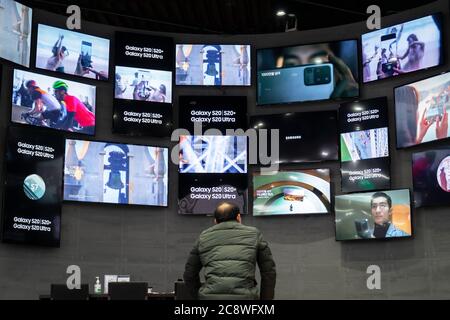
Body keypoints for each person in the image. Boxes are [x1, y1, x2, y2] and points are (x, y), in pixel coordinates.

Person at [183, 202, 276, 300]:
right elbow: (269, 273)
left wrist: (199, 296)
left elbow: (189, 274)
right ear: (238, 217)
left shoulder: (203, 237)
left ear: (215, 221)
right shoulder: (254, 234)